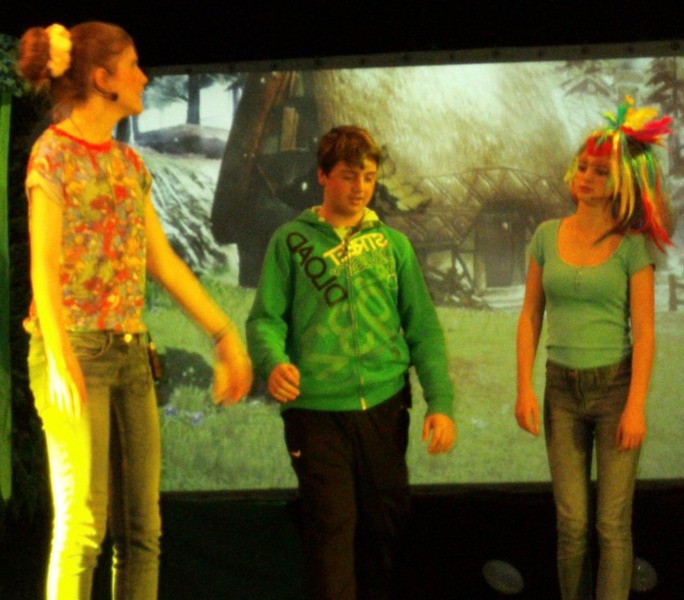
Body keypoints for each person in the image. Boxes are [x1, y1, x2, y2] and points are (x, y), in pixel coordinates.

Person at [17, 21, 253, 600]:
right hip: (74, 350)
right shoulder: (53, 154)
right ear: (104, 79)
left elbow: (162, 261)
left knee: (143, 530)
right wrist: (62, 359)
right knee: (83, 527)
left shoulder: (127, 163)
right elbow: (42, 264)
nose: (144, 77)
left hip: (129, 353)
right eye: (133, 66)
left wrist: (224, 334)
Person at [246, 125, 457, 600]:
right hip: (315, 414)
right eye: (348, 175)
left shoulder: (394, 245)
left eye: (368, 176)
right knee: (330, 534)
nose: (360, 187)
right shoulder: (290, 241)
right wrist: (273, 362)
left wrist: (440, 403)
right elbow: (264, 320)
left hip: (385, 408)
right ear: (323, 175)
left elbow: (423, 329)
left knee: (383, 533)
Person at [515, 97, 673, 600]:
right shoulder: (546, 236)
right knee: (571, 525)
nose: (585, 177)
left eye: (600, 171)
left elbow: (644, 332)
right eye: (582, 167)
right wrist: (524, 388)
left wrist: (635, 406)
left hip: (614, 388)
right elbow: (530, 315)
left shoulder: (631, 245)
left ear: (620, 182)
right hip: (561, 389)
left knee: (611, 525)